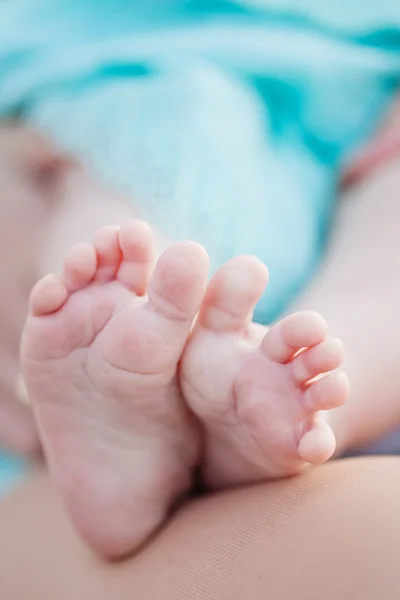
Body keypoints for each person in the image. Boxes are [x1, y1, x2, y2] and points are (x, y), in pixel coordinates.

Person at [0, 0, 400, 572]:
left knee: (127, 204)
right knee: (139, 163)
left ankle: (287, 403)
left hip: (368, 98)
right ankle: (128, 368)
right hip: (165, 70)